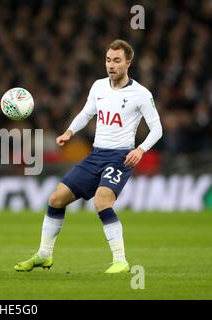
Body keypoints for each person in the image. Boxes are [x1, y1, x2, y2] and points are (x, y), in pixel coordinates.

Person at [14, 40, 163, 274]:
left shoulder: (141, 94)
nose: (111, 65)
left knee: (102, 201)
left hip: (120, 157)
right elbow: (86, 113)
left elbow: (157, 129)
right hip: (96, 155)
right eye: (108, 60)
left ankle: (120, 260)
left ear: (128, 63)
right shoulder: (98, 87)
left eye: (116, 60)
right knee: (55, 199)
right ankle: (44, 255)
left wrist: (140, 149)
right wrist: (69, 132)